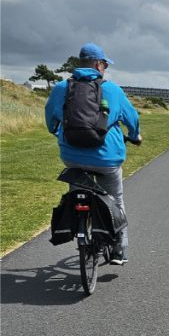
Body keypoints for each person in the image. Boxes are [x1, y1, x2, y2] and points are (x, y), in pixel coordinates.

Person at [45, 42, 141, 265]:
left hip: (72, 156)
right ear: (99, 64)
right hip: (107, 159)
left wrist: (53, 130)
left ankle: (80, 225)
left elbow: (50, 115)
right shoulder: (113, 90)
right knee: (116, 199)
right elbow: (132, 118)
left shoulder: (62, 88)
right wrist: (135, 135)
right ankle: (119, 250)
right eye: (105, 65)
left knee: (77, 191)